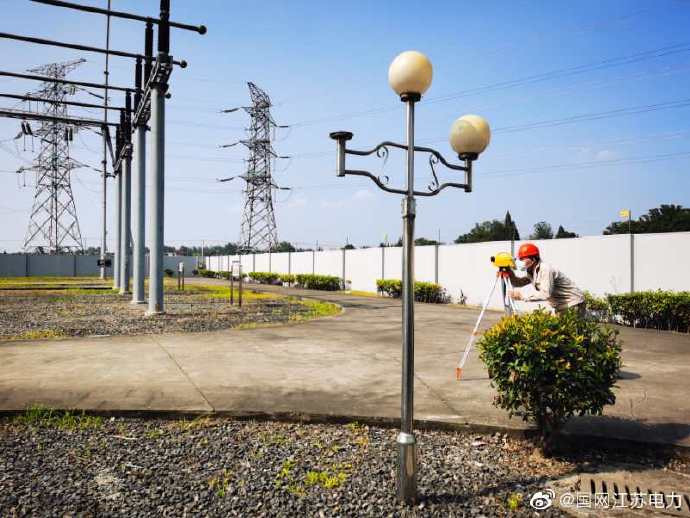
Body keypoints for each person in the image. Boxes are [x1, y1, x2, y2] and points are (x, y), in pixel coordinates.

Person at [508, 243, 586, 317]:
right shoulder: (531, 271)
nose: (520, 261)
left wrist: (522, 296)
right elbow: (518, 283)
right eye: (520, 259)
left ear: (533, 259)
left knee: (569, 327)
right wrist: (509, 271)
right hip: (562, 306)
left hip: (573, 303)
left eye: (523, 259)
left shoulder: (545, 269)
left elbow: (546, 294)